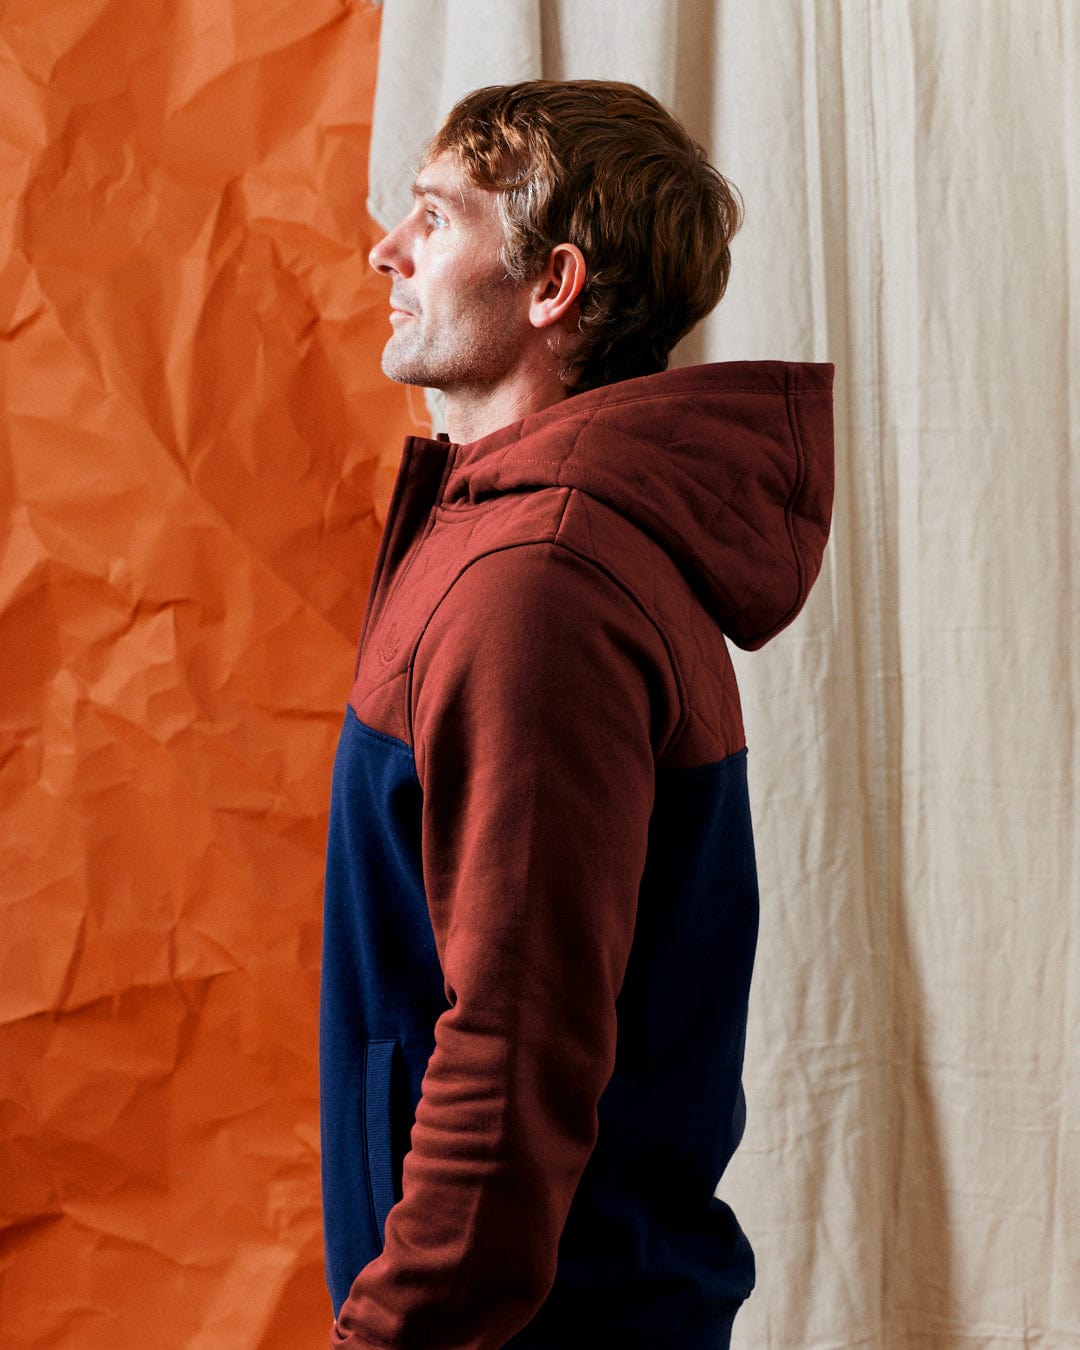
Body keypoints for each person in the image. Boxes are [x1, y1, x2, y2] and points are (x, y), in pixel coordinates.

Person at [320, 79, 834, 1349]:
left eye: (434, 220)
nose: (386, 248)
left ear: (551, 286)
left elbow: (513, 1045)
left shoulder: (538, 587)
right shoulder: (511, 536)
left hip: (538, 1324)